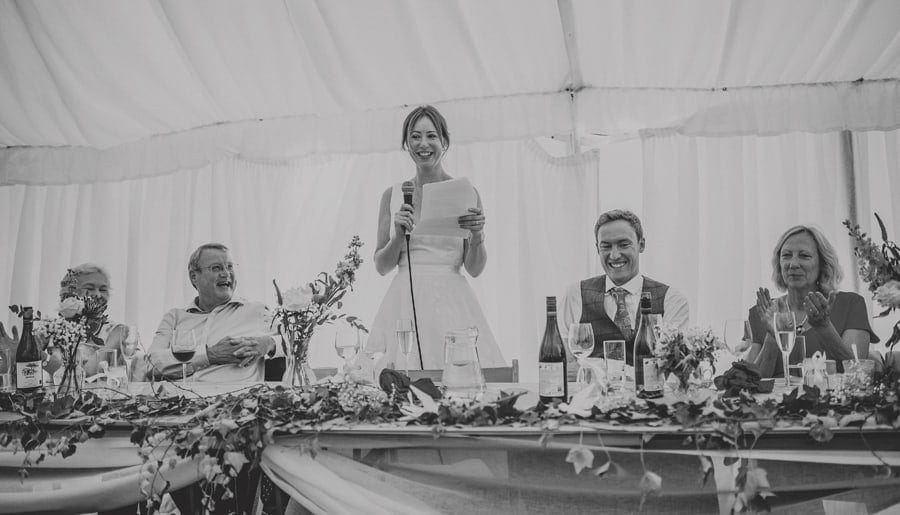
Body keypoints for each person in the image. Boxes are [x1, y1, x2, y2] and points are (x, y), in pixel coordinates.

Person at [364, 105, 505, 371]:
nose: (423, 144)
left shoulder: (466, 192)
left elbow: (475, 269)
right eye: (415, 137)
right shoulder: (391, 195)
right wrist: (398, 237)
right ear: (406, 144)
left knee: (458, 376)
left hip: (452, 301)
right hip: (404, 302)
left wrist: (477, 235)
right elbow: (381, 266)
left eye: (431, 136)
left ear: (444, 142)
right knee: (400, 378)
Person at [560, 209, 690, 366]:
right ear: (597, 249)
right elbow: (566, 366)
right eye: (606, 246)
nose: (614, 255)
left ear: (641, 245)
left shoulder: (672, 300)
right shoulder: (575, 295)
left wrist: (598, 367)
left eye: (623, 245)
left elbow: (673, 369)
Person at [747, 225, 879, 377]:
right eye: (786, 255)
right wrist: (773, 336)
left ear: (823, 263)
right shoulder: (763, 312)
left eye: (804, 256)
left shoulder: (850, 304)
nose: (793, 264)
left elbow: (857, 373)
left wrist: (824, 327)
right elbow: (750, 382)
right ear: (779, 264)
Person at [146, 243, 284, 382]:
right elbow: (150, 365)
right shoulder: (174, 317)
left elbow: (295, 342)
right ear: (194, 277)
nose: (226, 273)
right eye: (216, 268)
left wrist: (269, 343)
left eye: (230, 267)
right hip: (176, 395)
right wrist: (210, 355)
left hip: (235, 395)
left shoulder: (256, 311)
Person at [46, 263, 146, 382]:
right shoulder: (54, 329)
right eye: (89, 288)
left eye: (103, 289)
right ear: (70, 293)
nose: (98, 295)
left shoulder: (117, 331)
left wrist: (44, 359)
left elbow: (88, 374)